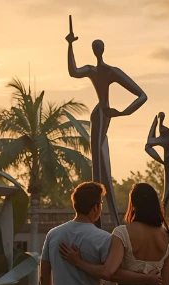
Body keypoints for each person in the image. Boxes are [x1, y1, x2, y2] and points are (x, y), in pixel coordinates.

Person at [66, 15, 147, 229]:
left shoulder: (111, 72)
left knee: (100, 164)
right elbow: (73, 72)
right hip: (99, 114)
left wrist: (123, 113)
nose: (96, 50)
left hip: (104, 113)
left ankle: (102, 218)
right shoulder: (93, 71)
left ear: (101, 50)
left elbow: (141, 95)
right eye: (94, 47)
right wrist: (70, 45)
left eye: (98, 47)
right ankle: (100, 219)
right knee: (98, 164)